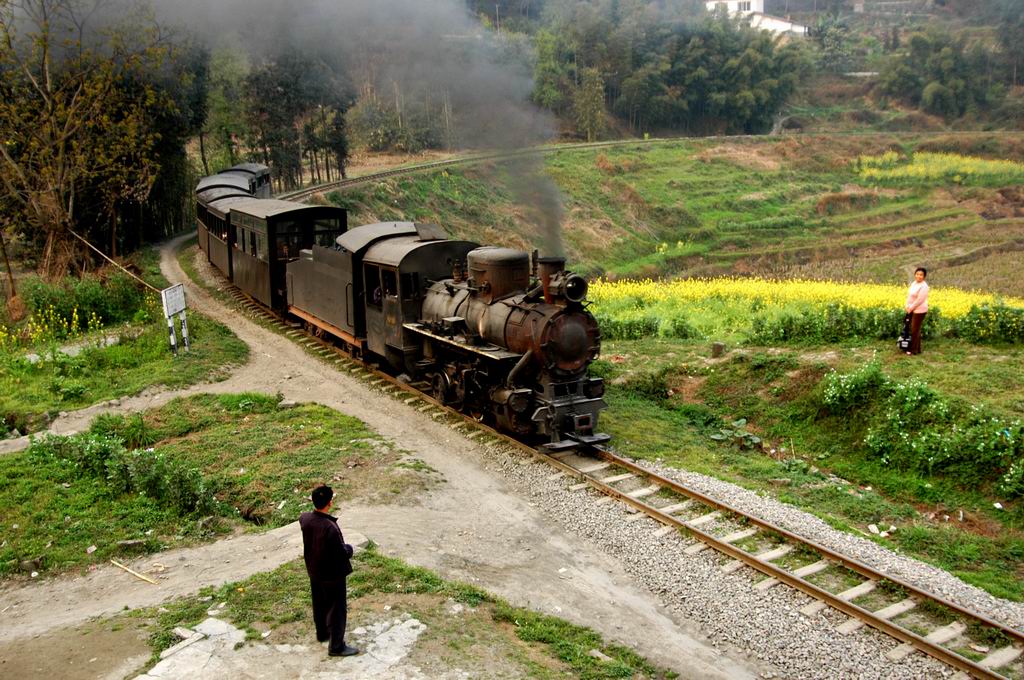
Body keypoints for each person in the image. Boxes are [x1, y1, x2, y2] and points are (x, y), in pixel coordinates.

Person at [299, 485, 359, 657]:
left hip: (314, 570)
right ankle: (336, 646)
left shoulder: (304, 519)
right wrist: (349, 549)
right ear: (330, 503)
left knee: (319, 604)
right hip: (332, 574)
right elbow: (341, 553)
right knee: (337, 609)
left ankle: (323, 633)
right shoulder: (330, 527)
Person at [904, 267, 929, 356]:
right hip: (911, 308)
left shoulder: (924, 286)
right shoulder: (914, 283)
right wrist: (906, 305)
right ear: (915, 275)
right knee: (914, 329)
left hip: (920, 310)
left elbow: (920, 300)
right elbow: (909, 296)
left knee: (914, 329)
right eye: (917, 274)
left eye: (921, 275)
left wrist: (910, 308)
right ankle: (917, 349)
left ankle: (912, 349)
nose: (919, 276)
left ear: (924, 276)